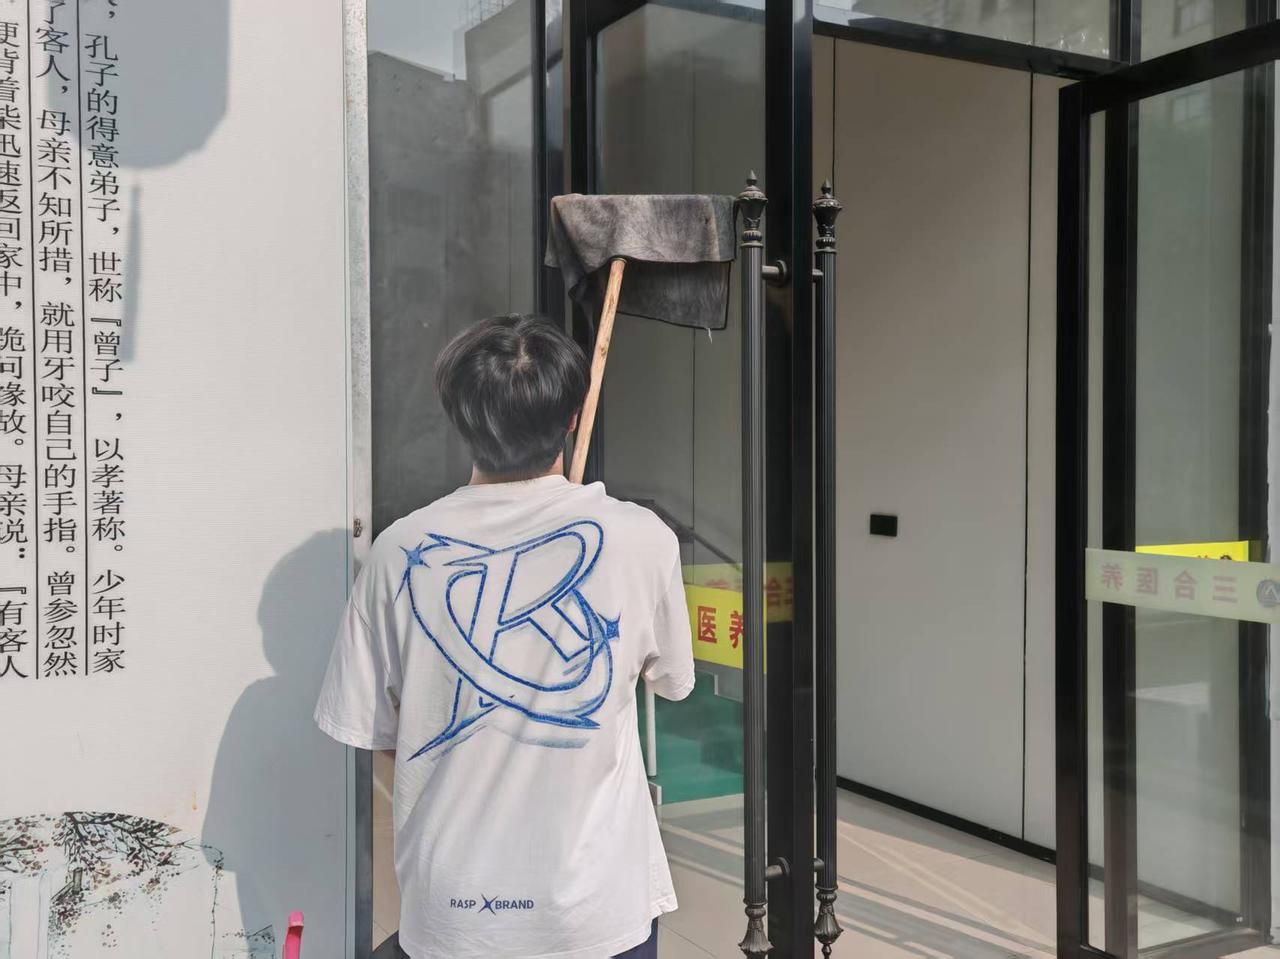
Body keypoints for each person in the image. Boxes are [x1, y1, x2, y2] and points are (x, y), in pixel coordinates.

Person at [315, 314, 696, 959]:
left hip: (455, 908)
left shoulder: (398, 551)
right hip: (595, 906)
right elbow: (672, 681)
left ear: (457, 416)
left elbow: (378, 732)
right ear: (572, 418)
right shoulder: (641, 539)